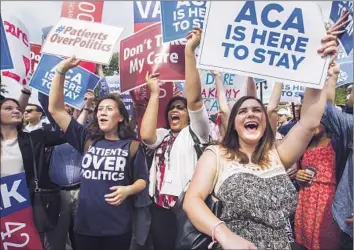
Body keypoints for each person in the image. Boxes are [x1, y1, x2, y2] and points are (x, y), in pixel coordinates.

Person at [183, 33, 338, 249]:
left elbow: (308, 123)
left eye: (257, 110)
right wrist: (224, 235)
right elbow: (192, 200)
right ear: (234, 124)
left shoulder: (277, 155)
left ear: (265, 122)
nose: (251, 114)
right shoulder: (216, 155)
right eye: (243, 111)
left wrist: (319, 68)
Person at [48, 57, 149, 250]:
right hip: (85, 226)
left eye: (109, 109)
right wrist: (61, 71)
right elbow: (55, 109)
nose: (102, 112)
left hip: (118, 228)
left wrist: (127, 190)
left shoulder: (132, 146)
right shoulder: (86, 139)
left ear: (120, 117)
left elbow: (142, 180)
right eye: (100, 109)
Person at [140, 27, 210, 250]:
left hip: (187, 208)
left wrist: (189, 51)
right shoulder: (163, 136)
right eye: (171, 108)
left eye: (181, 107)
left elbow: (195, 100)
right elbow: (146, 136)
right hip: (159, 208)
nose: (175, 111)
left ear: (189, 114)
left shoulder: (197, 132)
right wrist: (153, 94)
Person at [0, 98, 66, 249]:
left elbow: (68, 132)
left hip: (28, 206)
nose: (16, 111)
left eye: (18, 108)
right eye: (8, 108)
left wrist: (86, 109)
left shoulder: (33, 138)